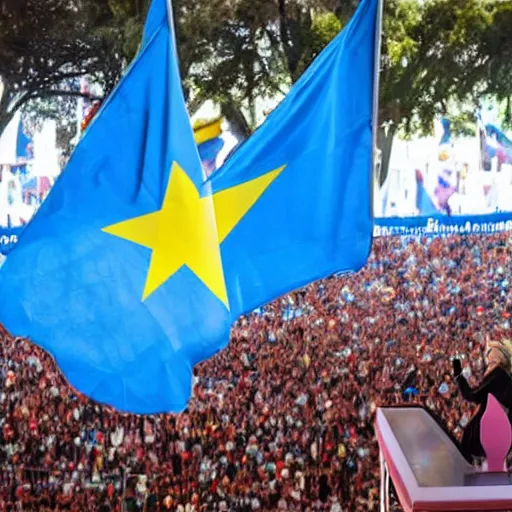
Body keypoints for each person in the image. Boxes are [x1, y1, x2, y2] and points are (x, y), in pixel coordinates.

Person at [452, 337, 512, 462]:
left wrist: (459, 376)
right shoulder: (506, 378)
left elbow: (472, 396)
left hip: (487, 432)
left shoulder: (498, 374)